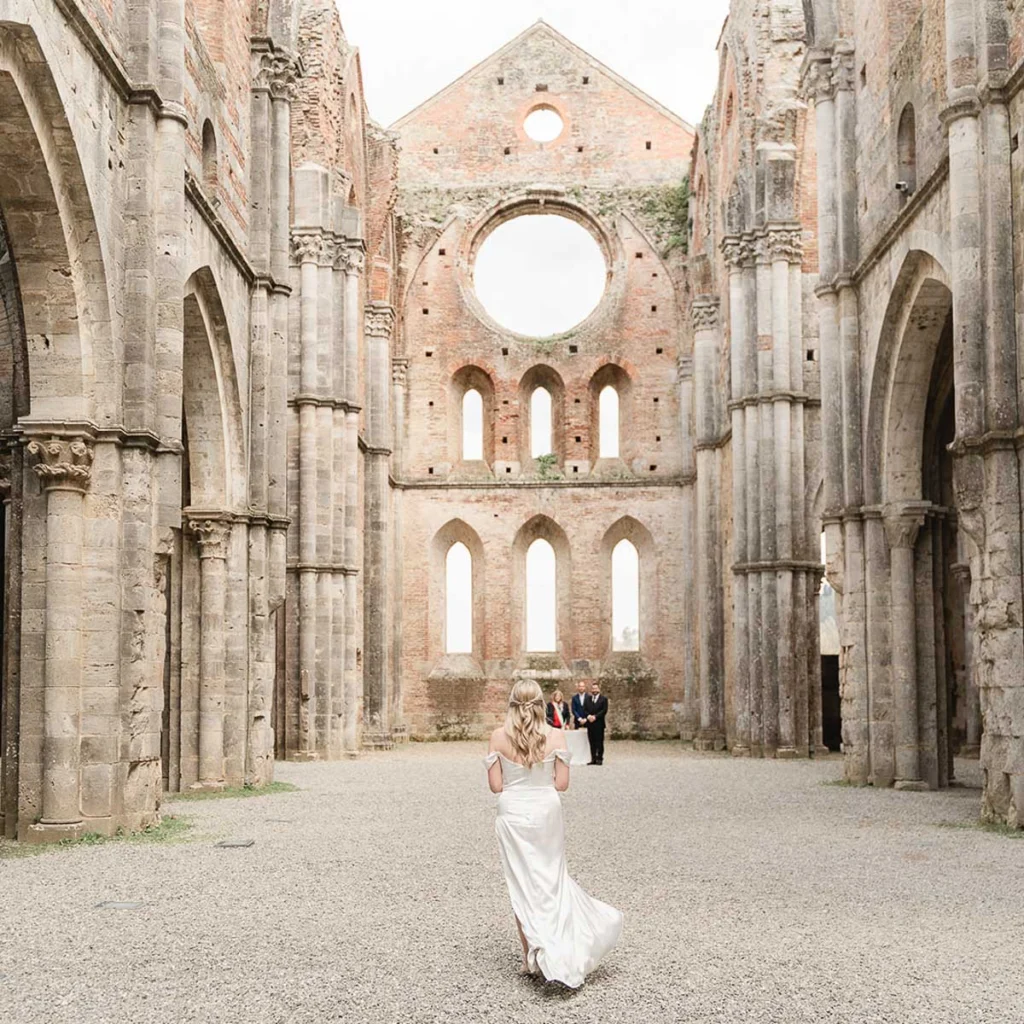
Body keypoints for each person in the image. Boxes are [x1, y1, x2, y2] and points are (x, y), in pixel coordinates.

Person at [485, 680, 622, 987]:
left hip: (513, 813)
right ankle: (559, 941)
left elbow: (496, 786)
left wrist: (517, 783)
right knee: (550, 878)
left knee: (521, 881)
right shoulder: (557, 735)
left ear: (511, 704)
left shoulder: (497, 737)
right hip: (546, 810)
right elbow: (561, 784)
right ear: (541, 704)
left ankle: (529, 958)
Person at [585, 680, 608, 765]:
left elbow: (604, 710)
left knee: (599, 742)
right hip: (590, 724)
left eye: (596, 688)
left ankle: (600, 758)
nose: (594, 690)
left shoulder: (603, 699)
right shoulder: (588, 699)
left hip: (599, 724)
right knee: (592, 742)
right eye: (593, 688)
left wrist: (595, 717)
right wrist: (588, 716)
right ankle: (593, 758)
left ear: (599, 689)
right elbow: (585, 710)